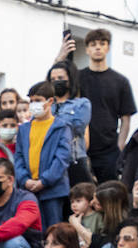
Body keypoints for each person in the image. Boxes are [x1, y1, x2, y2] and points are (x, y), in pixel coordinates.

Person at [77, 28, 137, 182]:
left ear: (108, 48)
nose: (98, 47)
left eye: (102, 44)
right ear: (87, 49)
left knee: (109, 195)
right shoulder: (78, 78)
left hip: (109, 150)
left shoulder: (120, 81)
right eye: (93, 44)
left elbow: (126, 118)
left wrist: (120, 147)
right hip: (82, 148)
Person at [14, 82, 73, 227]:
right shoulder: (24, 129)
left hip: (53, 191)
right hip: (27, 190)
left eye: (38, 100)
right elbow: (18, 157)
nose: (34, 104)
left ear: (50, 101)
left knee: (53, 230)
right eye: (31, 101)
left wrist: (44, 181)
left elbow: (62, 159)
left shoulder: (61, 127)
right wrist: (24, 180)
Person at [46, 59, 93, 187]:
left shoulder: (82, 104)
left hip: (74, 161)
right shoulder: (47, 105)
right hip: (50, 162)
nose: (56, 81)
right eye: (53, 79)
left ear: (70, 80)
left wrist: (50, 124)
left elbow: (77, 127)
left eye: (60, 78)